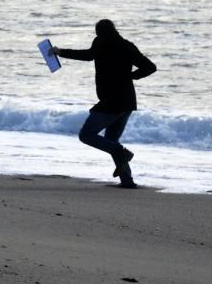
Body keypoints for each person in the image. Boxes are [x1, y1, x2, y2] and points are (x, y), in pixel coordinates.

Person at [50, 19, 156, 188]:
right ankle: (127, 181)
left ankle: (123, 153)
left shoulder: (100, 42)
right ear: (115, 29)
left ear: (98, 32)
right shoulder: (127, 46)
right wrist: (131, 77)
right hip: (127, 101)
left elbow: (86, 56)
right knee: (111, 139)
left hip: (111, 102)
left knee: (86, 135)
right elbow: (150, 67)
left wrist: (60, 52)